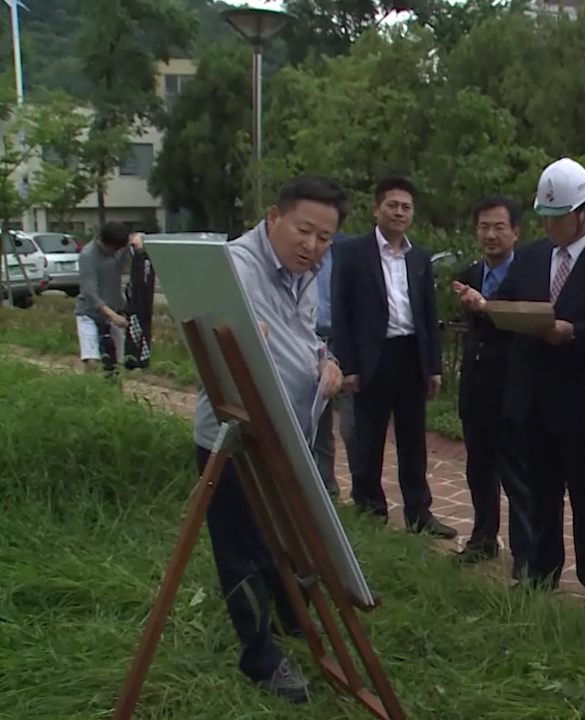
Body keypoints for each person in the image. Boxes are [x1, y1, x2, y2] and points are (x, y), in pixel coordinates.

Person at [454, 157, 585, 610]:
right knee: (540, 490)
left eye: (560, 217)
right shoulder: (534, 256)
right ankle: (542, 569)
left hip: (581, 398)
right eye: (546, 217)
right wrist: (485, 306)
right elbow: (510, 308)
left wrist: (574, 331)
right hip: (531, 395)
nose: (551, 226)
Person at [190, 176, 348, 703]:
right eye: (304, 230)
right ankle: (259, 657)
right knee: (243, 551)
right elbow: (212, 334)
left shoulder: (307, 273)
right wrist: (233, 333)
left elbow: (304, 340)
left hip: (288, 434)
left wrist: (327, 363)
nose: (312, 246)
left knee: (285, 539)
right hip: (234, 436)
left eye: (325, 237)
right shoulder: (234, 267)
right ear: (274, 217)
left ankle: (293, 618)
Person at [330, 174, 456, 538]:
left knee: (413, 440)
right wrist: (348, 365)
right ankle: (370, 509)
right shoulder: (352, 253)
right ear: (376, 209)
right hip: (373, 358)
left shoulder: (419, 257)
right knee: (367, 438)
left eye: (406, 207)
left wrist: (433, 367)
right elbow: (342, 310)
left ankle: (419, 512)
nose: (399, 213)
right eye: (392, 205)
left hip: (410, 355)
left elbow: (428, 315)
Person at [453, 195, 535, 572]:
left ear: (516, 232)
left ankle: (526, 554)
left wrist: (486, 305)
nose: (491, 235)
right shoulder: (471, 274)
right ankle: (482, 537)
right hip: (476, 388)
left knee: (516, 476)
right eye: (484, 227)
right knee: (479, 468)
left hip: (512, 390)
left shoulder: (528, 277)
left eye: (499, 227)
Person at [311, 233, 354, 498]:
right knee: (318, 423)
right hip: (312, 341)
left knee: (353, 425)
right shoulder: (302, 252)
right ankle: (326, 489)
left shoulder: (348, 250)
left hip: (344, 341)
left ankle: (365, 493)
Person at [74, 221, 142, 370]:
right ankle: (86, 387)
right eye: (114, 249)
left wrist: (137, 238)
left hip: (113, 313)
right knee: (92, 361)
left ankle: (114, 389)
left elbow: (137, 238)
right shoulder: (88, 255)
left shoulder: (119, 247)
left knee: (119, 362)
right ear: (106, 243)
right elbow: (90, 292)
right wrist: (113, 316)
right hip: (89, 314)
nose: (116, 253)